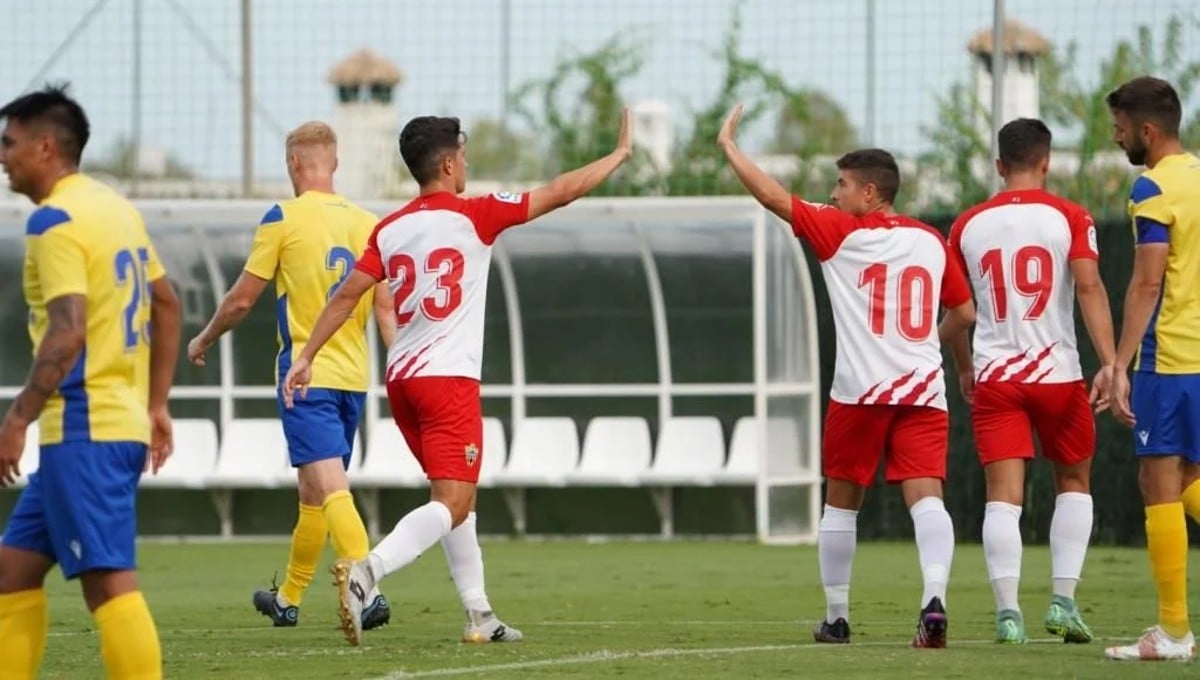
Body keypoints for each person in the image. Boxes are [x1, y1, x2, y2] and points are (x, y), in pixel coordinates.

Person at [280, 110, 632, 646]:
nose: (466, 162)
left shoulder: (390, 228)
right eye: (463, 155)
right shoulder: (477, 215)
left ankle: (479, 614)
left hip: (403, 382)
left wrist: (306, 356)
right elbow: (560, 192)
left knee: (455, 500)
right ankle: (365, 572)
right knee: (454, 502)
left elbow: (347, 295)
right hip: (448, 383)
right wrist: (617, 155)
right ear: (447, 163)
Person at [717, 104, 974, 648]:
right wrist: (941, 345)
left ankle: (836, 618)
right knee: (928, 499)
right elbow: (965, 314)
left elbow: (770, 195)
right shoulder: (932, 239)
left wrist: (731, 148)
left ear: (871, 194)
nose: (834, 195)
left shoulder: (839, 233)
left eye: (842, 184)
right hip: (923, 390)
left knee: (841, 503)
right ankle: (934, 602)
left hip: (859, 393)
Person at [0, 84, 182, 679]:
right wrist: (155, 405)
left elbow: (67, 330)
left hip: (84, 425)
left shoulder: (54, 221)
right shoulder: (114, 208)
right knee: (14, 569)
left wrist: (18, 417)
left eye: (9, 143)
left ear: (45, 146)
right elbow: (167, 302)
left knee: (107, 581)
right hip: (113, 421)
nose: (3, 156)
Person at [186, 121, 394, 631]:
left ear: (293, 165)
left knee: (331, 487)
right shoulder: (371, 224)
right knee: (313, 491)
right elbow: (386, 309)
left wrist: (205, 337)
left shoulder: (283, 217)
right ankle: (289, 598)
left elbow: (241, 299)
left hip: (306, 376)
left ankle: (369, 591)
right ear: (335, 164)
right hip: (352, 379)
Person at [944, 117, 1115, 644]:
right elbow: (1088, 288)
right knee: (1074, 484)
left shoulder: (966, 224)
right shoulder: (1071, 216)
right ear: (1046, 162)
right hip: (1058, 376)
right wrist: (1110, 361)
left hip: (996, 377)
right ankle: (1063, 601)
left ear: (998, 166)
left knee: (1003, 497)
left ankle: (1008, 614)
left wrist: (964, 367)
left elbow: (960, 311)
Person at [1102, 76, 1200, 662]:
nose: (1116, 140)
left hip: (1171, 361)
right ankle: (1173, 631)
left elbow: (1147, 280)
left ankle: (1173, 633)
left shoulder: (1153, 187)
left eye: (1118, 130)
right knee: (1188, 477)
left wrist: (1118, 363)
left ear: (1146, 130)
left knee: (1159, 483)